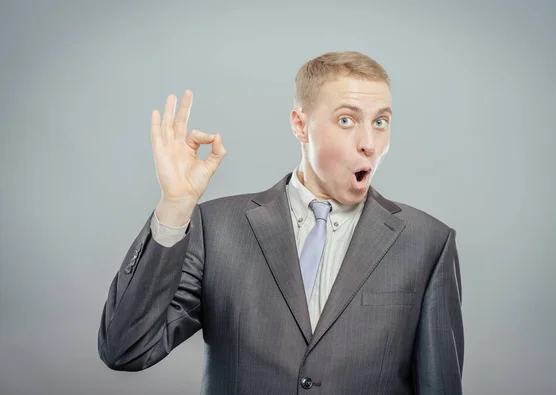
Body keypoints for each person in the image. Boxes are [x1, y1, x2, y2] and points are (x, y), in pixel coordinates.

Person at [97, 51, 464, 394]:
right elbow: (126, 349)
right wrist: (174, 208)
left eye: (381, 122)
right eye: (346, 120)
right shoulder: (217, 229)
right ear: (300, 125)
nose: (369, 142)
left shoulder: (427, 243)